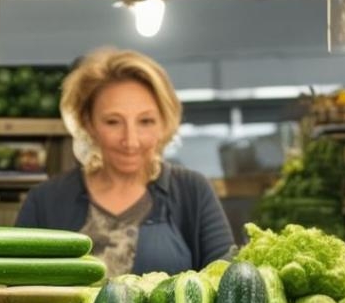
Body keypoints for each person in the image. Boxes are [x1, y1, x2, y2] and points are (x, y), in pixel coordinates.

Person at [15, 48, 234, 276]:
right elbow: (15, 290)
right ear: (88, 123)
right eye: (113, 122)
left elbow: (225, 280)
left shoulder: (192, 191)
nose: (130, 141)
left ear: (164, 122)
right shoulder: (44, 201)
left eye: (146, 121)